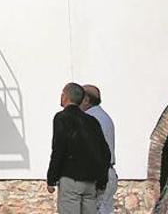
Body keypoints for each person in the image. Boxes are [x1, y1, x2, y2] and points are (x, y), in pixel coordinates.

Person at [47, 83, 111, 214]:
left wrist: (51, 177)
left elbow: (59, 148)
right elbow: (105, 152)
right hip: (90, 182)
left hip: (71, 179)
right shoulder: (92, 121)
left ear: (66, 97)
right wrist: (102, 180)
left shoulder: (62, 118)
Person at [81, 84, 117, 214]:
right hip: (106, 173)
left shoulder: (90, 119)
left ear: (86, 100)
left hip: (96, 175)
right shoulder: (103, 116)